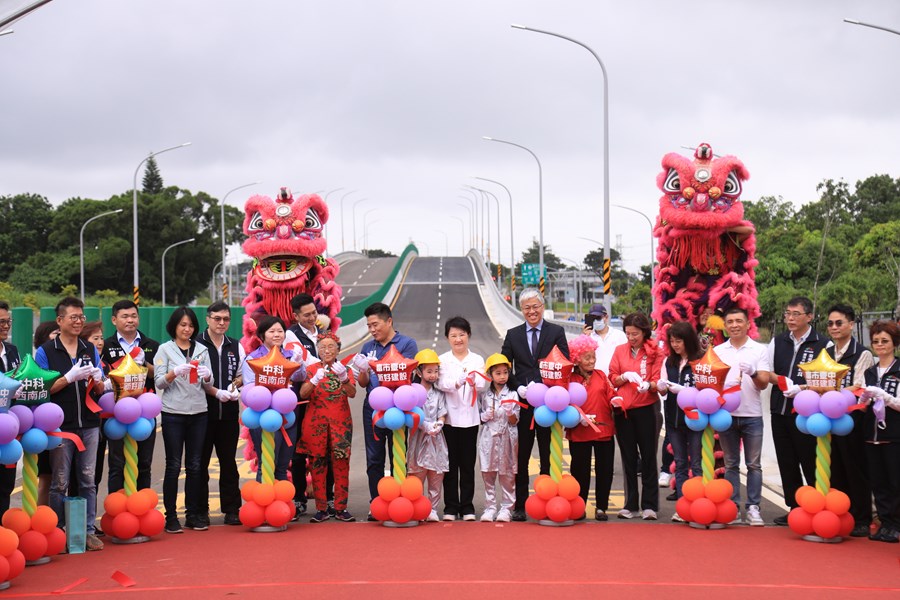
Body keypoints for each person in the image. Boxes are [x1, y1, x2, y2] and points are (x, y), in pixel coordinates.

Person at [34, 297, 105, 551]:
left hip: (88, 422)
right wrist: (68, 377)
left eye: (81, 317)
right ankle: (59, 530)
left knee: (87, 479)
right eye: (73, 317)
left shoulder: (89, 348)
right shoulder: (46, 351)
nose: (78, 322)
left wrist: (98, 379)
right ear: (60, 320)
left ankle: (86, 530)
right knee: (59, 481)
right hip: (60, 424)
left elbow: (100, 386)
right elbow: (43, 389)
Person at [501, 288, 569, 522]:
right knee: (522, 456)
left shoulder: (556, 332)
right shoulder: (513, 334)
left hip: (549, 404)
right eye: (527, 307)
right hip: (523, 405)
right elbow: (504, 367)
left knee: (548, 453)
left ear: (542, 306)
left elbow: (565, 363)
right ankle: (520, 505)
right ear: (522, 310)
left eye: (535, 306)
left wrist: (542, 386)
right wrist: (518, 386)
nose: (532, 311)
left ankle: (547, 499)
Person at [352, 302, 417, 518]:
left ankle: (401, 499)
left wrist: (379, 365)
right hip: (373, 408)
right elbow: (362, 383)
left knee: (398, 454)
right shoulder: (367, 347)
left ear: (389, 321)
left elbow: (408, 376)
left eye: (375, 324)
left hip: (399, 408)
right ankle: (377, 503)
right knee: (374, 458)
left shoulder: (407, 344)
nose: (372, 330)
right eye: (369, 326)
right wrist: (362, 369)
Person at [767, 296, 828, 525]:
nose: (790, 318)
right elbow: (768, 373)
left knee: (809, 460)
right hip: (779, 410)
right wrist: (783, 382)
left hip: (806, 415)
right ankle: (794, 507)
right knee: (786, 460)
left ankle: (815, 506)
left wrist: (802, 388)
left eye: (796, 314)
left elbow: (827, 380)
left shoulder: (822, 343)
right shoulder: (778, 341)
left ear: (809, 317)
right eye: (787, 314)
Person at [154, 306, 213, 534]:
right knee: (173, 465)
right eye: (182, 325)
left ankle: (193, 514)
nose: (187, 329)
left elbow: (208, 382)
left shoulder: (201, 349)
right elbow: (159, 382)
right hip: (174, 413)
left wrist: (207, 375)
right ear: (174, 327)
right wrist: (174, 372)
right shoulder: (164, 350)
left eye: (190, 325)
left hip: (199, 412)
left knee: (196, 465)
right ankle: (171, 517)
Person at [715, 308, 772, 526]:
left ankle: (753, 508)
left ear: (748, 324)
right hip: (726, 415)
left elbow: (764, 382)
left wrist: (753, 372)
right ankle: (733, 507)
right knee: (730, 464)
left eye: (739, 321)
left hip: (751, 414)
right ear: (725, 326)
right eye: (730, 321)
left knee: (753, 464)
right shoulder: (718, 351)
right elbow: (711, 382)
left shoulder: (758, 350)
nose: (735, 325)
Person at [100, 301, 160, 497]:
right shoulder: (105, 346)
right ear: (114, 319)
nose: (130, 320)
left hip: (144, 413)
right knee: (117, 463)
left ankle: (142, 508)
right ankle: (116, 510)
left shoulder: (151, 345)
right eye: (125, 316)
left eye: (133, 316)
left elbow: (159, 376)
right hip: (116, 413)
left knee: (144, 463)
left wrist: (144, 364)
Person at [824, 304, 874, 537]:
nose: (834, 328)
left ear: (851, 325)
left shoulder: (862, 353)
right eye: (831, 323)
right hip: (828, 419)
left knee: (856, 469)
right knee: (836, 468)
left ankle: (862, 518)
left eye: (839, 323)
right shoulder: (827, 352)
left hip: (853, 419)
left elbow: (859, 386)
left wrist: (832, 393)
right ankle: (839, 514)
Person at [608, 312, 663, 520]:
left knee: (648, 456)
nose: (631, 338)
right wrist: (623, 377)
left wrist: (649, 385)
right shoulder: (620, 350)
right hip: (623, 410)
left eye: (635, 334)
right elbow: (612, 377)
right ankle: (630, 504)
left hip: (646, 408)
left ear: (645, 332)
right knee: (628, 457)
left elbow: (658, 378)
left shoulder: (654, 352)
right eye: (628, 334)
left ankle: (649, 505)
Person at [298, 332, 356, 523]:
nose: (327, 350)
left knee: (341, 464)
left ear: (338, 349)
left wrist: (344, 378)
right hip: (316, 425)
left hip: (340, 424)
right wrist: (314, 380)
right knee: (317, 465)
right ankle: (321, 508)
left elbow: (352, 393)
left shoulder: (345, 369)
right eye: (322, 347)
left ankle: (341, 507)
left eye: (331, 346)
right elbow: (302, 393)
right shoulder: (311, 369)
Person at [242, 315, 306, 484]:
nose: (277, 335)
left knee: (283, 464)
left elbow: (300, 377)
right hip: (264, 417)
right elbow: (250, 388)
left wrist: (299, 364)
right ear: (262, 336)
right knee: (267, 463)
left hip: (287, 415)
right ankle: (265, 503)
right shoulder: (253, 359)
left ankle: (282, 506)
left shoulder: (291, 356)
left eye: (280, 331)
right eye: (272, 331)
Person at [196, 301, 244, 526]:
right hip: (201, 414)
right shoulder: (196, 344)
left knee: (228, 462)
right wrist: (216, 393)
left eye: (226, 319)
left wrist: (235, 386)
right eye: (217, 319)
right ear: (208, 319)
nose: (221, 323)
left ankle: (232, 509)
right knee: (200, 463)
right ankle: (200, 510)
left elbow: (242, 374)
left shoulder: (236, 345)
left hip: (229, 413)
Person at [435, 316, 486, 522]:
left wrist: (474, 382)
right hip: (448, 419)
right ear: (447, 337)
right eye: (453, 335)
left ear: (468, 335)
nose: (458, 339)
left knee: (467, 465)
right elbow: (440, 383)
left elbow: (483, 385)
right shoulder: (442, 360)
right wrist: (457, 382)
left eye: (462, 335)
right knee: (450, 464)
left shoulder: (477, 359)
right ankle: (450, 507)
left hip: (471, 419)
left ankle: (467, 506)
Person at [286, 293, 332, 519]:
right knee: (298, 450)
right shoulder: (290, 336)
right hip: (301, 398)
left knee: (327, 448)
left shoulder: (323, 332)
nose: (312, 317)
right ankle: (298, 498)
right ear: (296, 316)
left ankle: (329, 498)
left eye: (314, 313)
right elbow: (301, 365)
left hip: (324, 399)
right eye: (306, 315)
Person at [567, 334, 617, 521]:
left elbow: (611, 394)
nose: (591, 361)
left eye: (593, 356)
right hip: (580, 430)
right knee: (579, 470)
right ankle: (579, 506)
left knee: (605, 469)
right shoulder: (570, 379)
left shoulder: (601, 375)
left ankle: (602, 507)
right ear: (576, 358)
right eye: (587, 357)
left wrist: (616, 399)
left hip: (603, 429)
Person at [656, 321, 703, 516]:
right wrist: (661, 387)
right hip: (674, 420)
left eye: (679, 341)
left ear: (688, 341)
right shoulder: (670, 361)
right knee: (681, 462)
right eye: (672, 341)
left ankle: (699, 504)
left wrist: (685, 391)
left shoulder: (700, 360)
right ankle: (683, 505)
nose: (675, 345)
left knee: (697, 463)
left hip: (695, 419)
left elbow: (706, 389)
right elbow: (664, 387)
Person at [859, 320, 900, 543]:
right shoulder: (870, 372)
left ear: (894, 343)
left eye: (885, 341)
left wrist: (886, 398)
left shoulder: (899, 369)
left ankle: (896, 524)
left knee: (895, 482)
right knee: (878, 482)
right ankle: (885, 523)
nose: (880, 345)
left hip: (894, 436)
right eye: (876, 341)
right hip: (871, 435)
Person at [407, 349, 448, 522]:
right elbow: (411, 413)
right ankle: (417, 507)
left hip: (436, 438)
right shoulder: (412, 393)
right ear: (418, 372)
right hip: (418, 436)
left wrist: (438, 424)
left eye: (435, 371)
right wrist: (425, 426)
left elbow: (442, 413)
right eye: (429, 371)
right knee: (417, 473)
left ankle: (432, 509)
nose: (433, 375)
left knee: (436, 474)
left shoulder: (439, 394)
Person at [477, 353, 519, 523]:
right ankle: (490, 507)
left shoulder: (514, 394)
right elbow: (479, 418)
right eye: (498, 373)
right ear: (490, 375)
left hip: (507, 438)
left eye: (505, 372)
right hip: (488, 438)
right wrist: (485, 416)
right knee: (488, 472)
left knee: (507, 473)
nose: (502, 377)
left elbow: (515, 420)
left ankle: (507, 508)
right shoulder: (484, 396)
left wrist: (510, 413)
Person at [0, 301, 21, 516]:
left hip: (8, 432)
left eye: (8, 321)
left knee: (6, 485)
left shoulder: (12, 351)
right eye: (1, 322)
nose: (6, 326)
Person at [582, 303, 626, 375]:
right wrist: (584, 337)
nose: (596, 321)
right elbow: (581, 359)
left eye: (598, 317)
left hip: (616, 379)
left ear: (606, 317)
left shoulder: (619, 335)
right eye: (593, 318)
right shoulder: (588, 337)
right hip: (595, 379)